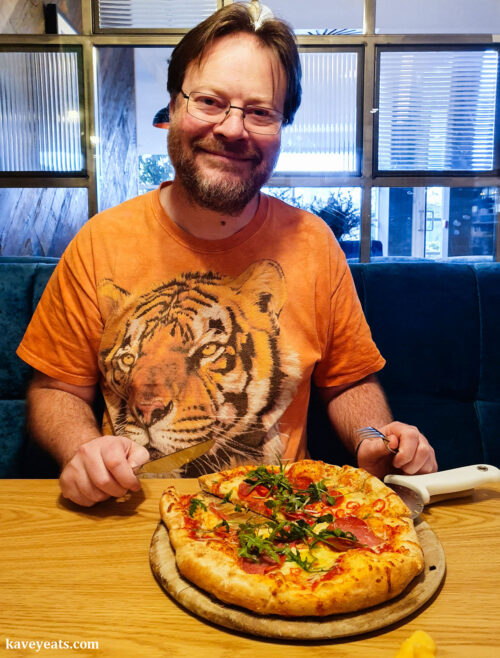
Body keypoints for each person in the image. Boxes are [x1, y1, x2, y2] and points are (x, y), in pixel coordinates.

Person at [17, 2, 437, 507]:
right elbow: (55, 389)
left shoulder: (313, 243)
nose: (234, 129)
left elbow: (348, 382)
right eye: (210, 101)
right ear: (172, 108)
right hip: (129, 515)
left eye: (260, 112)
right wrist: (82, 449)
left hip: (281, 527)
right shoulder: (100, 241)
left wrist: (374, 437)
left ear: (281, 128)